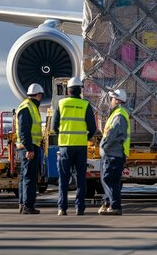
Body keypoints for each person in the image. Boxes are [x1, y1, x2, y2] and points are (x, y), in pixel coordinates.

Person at [53, 77, 97, 216]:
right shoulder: (85, 105)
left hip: (65, 146)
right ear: (80, 90)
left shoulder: (61, 104)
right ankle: (80, 208)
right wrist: (84, 137)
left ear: (68, 90)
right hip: (80, 146)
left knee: (64, 178)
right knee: (81, 178)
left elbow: (54, 127)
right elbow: (92, 128)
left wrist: (64, 135)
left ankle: (62, 208)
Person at [98, 89, 130, 216]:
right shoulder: (117, 113)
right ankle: (107, 203)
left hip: (113, 153)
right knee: (108, 179)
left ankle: (115, 205)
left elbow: (113, 133)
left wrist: (104, 146)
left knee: (109, 179)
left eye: (112, 99)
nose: (110, 101)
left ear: (117, 100)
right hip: (112, 153)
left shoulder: (119, 114)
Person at [16, 83, 44, 214]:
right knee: (29, 177)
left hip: (30, 146)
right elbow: (24, 131)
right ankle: (28, 206)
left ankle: (23, 204)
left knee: (25, 177)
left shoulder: (29, 106)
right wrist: (29, 149)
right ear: (38, 95)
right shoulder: (28, 107)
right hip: (29, 147)